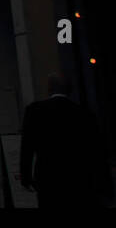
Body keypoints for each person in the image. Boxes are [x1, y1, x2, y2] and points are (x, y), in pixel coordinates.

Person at [20, 72, 113, 209]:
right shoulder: (83, 113)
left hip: (48, 177)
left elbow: (27, 147)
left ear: (49, 89)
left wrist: (25, 176)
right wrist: (104, 182)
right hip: (78, 178)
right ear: (69, 89)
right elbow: (96, 150)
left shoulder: (35, 111)